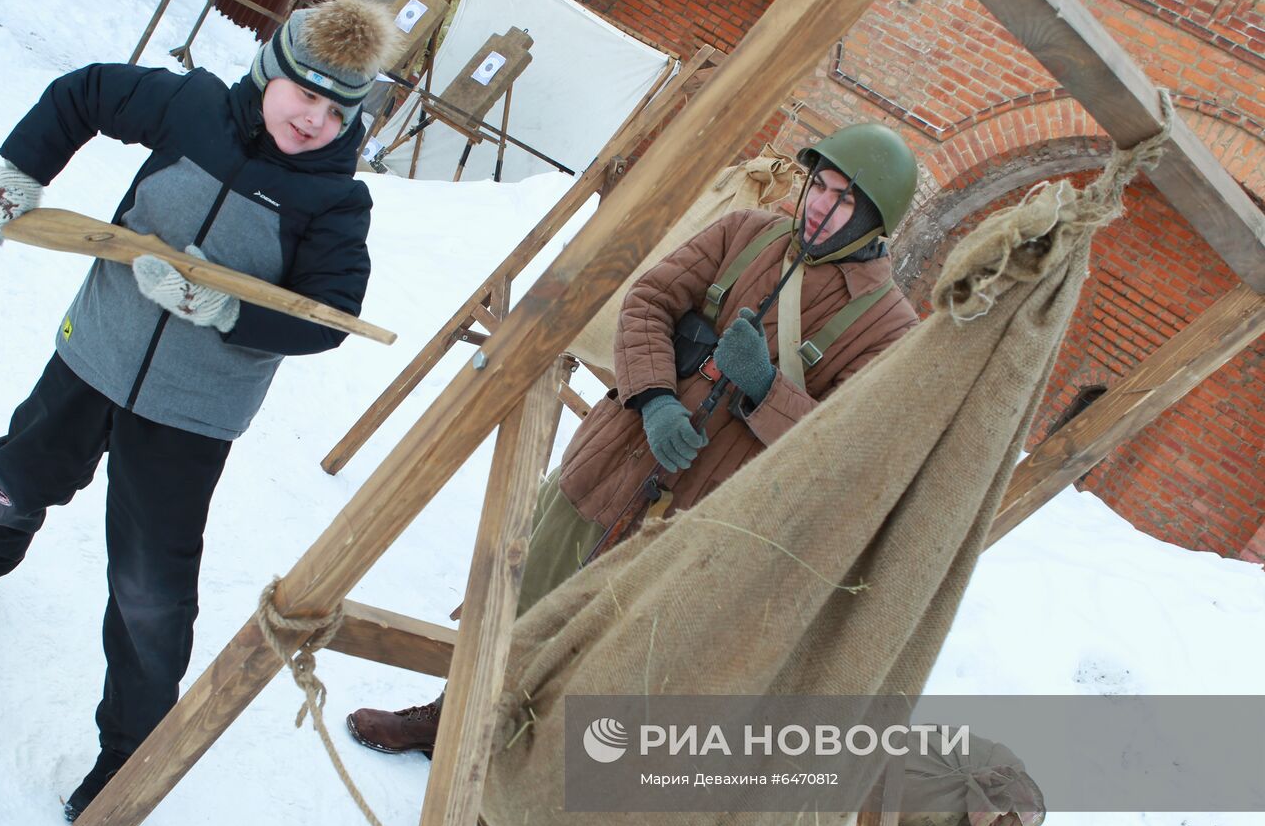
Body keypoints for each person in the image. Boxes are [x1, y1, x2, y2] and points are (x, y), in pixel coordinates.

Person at [0, 0, 399, 822]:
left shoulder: (335, 204)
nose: (314, 119)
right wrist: (20, 176)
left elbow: (331, 315)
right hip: (93, 348)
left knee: (150, 584)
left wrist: (225, 309)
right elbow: (84, 92)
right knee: (16, 474)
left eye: (337, 107)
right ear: (268, 73)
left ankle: (128, 752)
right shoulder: (192, 107)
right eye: (303, 93)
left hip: (193, 412)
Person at [346, 123, 923, 763]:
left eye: (844, 199)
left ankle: (515, 785)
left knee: (600, 661)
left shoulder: (889, 328)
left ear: (874, 220)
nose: (820, 204)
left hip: (694, 523)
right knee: (518, 599)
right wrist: (654, 398)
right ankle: (447, 716)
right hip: (609, 462)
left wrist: (764, 388)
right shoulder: (745, 232)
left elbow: (846, 451)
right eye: (820, 185)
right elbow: (648, 299)